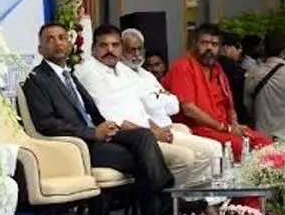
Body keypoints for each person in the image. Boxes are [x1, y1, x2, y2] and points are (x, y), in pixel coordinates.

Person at [21, 23, 173, 215]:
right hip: (78, 146)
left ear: (70, 44)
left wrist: (106, 126)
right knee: (144, 160)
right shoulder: (36, 80)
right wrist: (93, 133)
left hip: (96, 136)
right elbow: (46, 124)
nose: (57, 43)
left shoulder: (68, 76)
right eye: (50, 39)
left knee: (143, 136)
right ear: (40, 49)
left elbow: (91, 112)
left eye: (62, 37)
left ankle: (158, 213)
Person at [75, 24, 211, 190]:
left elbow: (141, 110)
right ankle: (171, 205)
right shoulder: (90, 72)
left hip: (148, 132)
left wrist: (156, 130)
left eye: (115, 45)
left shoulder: (121, 70)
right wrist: (152, 134)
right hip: (124, 139)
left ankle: (189, 207)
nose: (110, 50)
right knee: (185, 158)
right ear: (93, 48)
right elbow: (113, 119)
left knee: (208, 150)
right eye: (104, 45)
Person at [163, 23, 272, 160]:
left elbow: (229, 103)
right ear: (194, 43)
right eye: (204, 43)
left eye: (214, 44)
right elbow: (189, 110)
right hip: (197, 128)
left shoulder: (217, 68)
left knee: (264, 141)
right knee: (238, 146)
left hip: (223, 128)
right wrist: (225, 128)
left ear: (220, 48)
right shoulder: (182, 67)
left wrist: (234, 124)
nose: (209, 48)